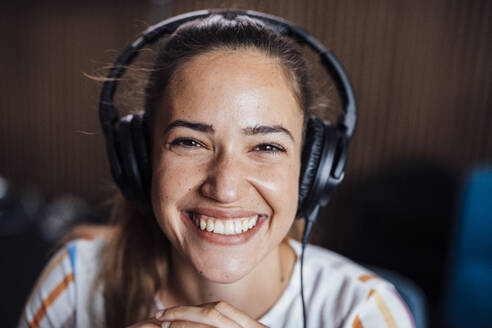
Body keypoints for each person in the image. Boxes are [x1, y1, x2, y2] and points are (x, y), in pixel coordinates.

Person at [18, 12, 415, 328]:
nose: (224, 188)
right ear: (141, 158)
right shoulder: (76, 282)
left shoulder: (363, 311)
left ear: (311, 170)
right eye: (190, 142)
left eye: (266, 147)